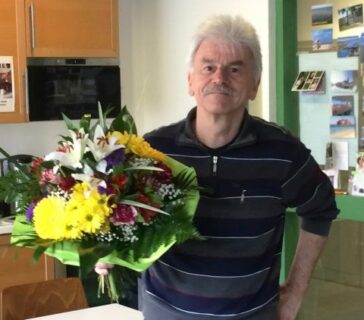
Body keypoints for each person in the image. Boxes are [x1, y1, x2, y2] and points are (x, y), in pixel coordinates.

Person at [97, 14, 339, 320]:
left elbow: (320, 210)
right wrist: (106, 252)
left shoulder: (283, 152)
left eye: (235, 69)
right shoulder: (153, 151)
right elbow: (120, 214)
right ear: (190, 81)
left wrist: (294, 292)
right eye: (208, 67)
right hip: (166, 312)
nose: (219, 78)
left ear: (254, 84)